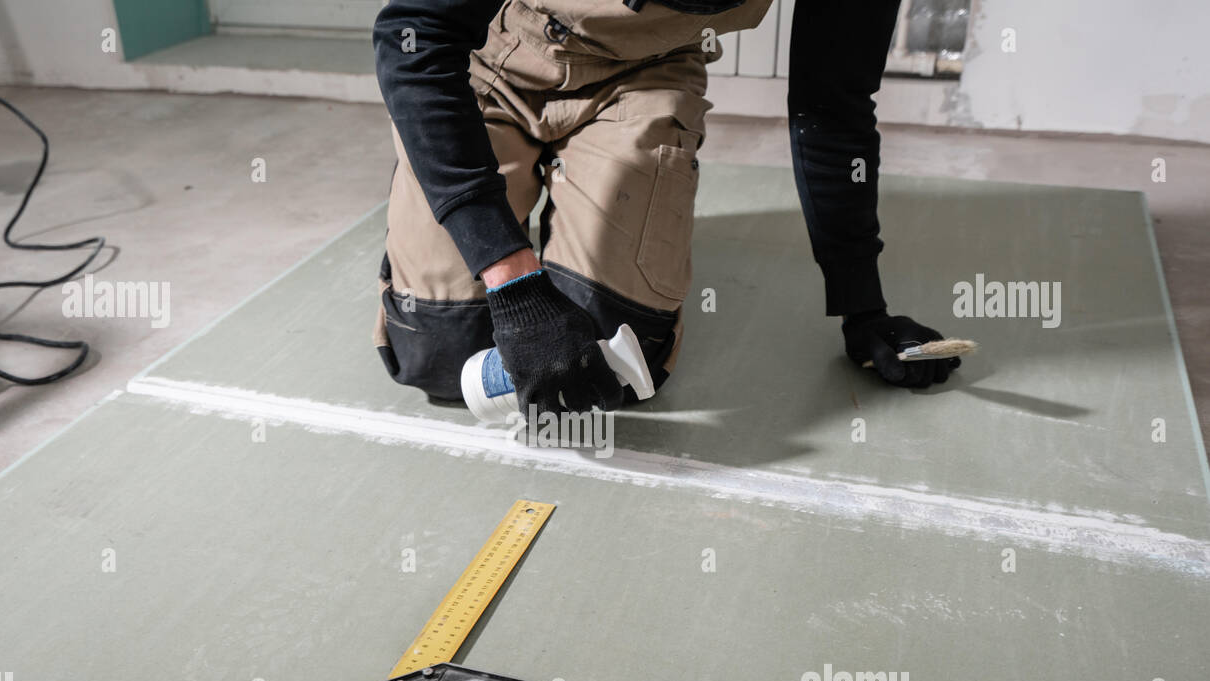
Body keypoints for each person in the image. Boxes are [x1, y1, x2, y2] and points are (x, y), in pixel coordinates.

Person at [372, 0, 959, 420]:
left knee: (608, 366)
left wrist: (864, 308)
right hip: (493, 52)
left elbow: (834, 107)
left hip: (647, 70)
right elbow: (415, 33)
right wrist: (511, 279)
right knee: (443, 357)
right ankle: (469, 207)